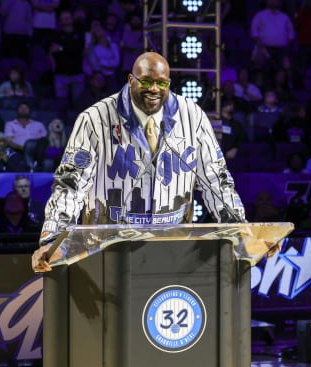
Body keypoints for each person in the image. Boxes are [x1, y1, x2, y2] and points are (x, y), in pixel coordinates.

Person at [31, 52, 269, 273]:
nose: (154, 89)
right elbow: (70, 186)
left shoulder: (193, 116)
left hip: (174, 252)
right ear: (131, 79)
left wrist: (241, 230)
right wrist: (52, 240)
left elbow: (216, 180)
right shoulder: (94, 119)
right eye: (146, 81)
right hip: (106, 253)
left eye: (162, 83)